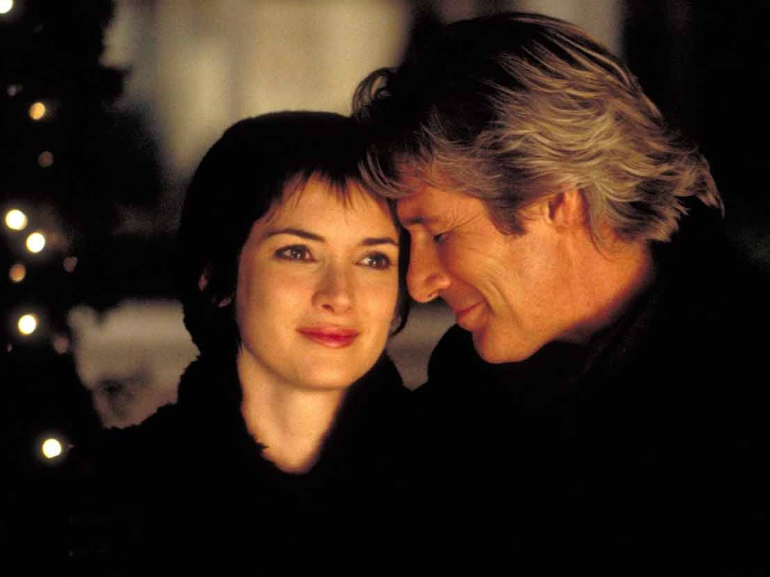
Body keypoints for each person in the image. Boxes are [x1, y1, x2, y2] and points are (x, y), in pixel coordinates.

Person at [353, 11, 769, 576]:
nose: (419, 281)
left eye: (441, 233)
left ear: (555, 200)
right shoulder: (462, 407)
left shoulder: (746, 394)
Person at [68, 112, 411, 573]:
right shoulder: (110, 495)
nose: (340, 295)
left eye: (373, 260)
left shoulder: (466, 486)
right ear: (217, 279)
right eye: (298, 253)